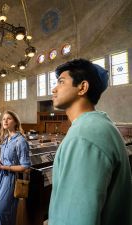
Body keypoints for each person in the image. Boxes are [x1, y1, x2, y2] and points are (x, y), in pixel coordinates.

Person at [49, 59, 132, 225]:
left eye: (61, 82)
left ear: (82, 87)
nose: (54, 89)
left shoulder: (84, 136)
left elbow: (75, 218)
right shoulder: (99, 126)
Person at [0, 110, 31, 225]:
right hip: (1, 178)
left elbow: (26, 167)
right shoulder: (5, 139)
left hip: (12, 180)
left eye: (8, 118)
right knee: (6, 213)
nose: (5, 121)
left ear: (15, 122)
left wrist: (3, 167)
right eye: (3, 119)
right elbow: (3, 160)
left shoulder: (20, 141)